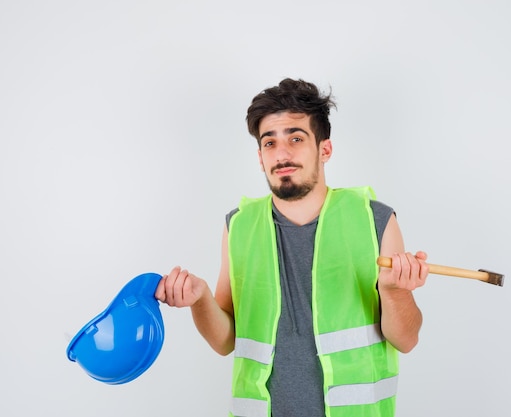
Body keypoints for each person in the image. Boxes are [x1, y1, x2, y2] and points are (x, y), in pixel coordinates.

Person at [155, 78, 429, 417]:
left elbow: (407, 339)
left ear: (324, 149)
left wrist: (394, 292)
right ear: (260, 156)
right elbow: (226, 341)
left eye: (296, 138)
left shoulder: (374, 219)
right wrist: (199, 299)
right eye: (270, 143)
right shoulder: (238, 225)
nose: (281, 154)